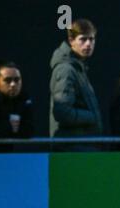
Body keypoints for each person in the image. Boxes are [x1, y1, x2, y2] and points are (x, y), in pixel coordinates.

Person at [49, 18, 103, 151]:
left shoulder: (78, 67)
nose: (88, 44)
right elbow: (62, 111)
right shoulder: (66, 69)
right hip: (72, 148)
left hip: (82, 146)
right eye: (83, 39)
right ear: (71, 40)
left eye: (92, 39)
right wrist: (92, 116)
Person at [0, 61, 34, 152]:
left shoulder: (25, 100)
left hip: (11, 158)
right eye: (7, 80)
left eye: (17, 80)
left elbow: (29, 130)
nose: (13, 84)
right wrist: (9, 127)